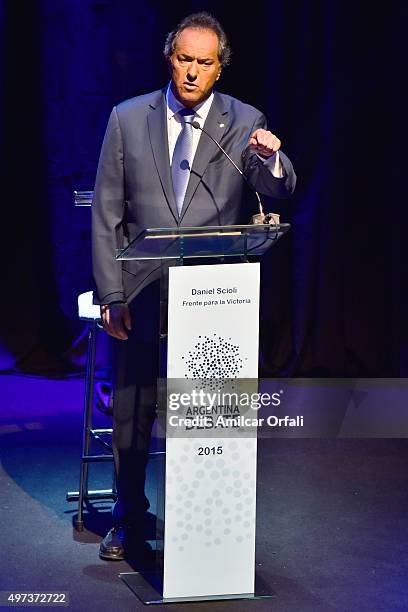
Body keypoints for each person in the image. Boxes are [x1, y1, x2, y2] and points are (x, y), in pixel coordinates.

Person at [92, 11, 296, 561]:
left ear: (218, 70)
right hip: (140, 289)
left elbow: (276, 188)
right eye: (184, 59)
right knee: (133, 410)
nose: (192, 72)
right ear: (170, 58)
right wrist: (112, 294)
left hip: (212, 298)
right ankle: (128, 518)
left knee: (204, 410)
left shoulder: (243, 120)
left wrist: (271, 157)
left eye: (204, 64)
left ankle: (200, 523)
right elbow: (107, 211)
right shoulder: (128, 118)